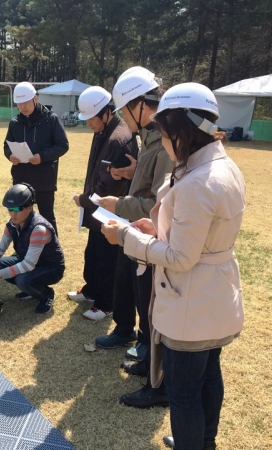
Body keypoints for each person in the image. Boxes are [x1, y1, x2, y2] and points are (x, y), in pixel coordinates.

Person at [102, 82, 245, 450]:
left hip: (191, 301)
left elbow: (182, 257)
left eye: (165, 135)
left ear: (181, 133)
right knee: (209, 373)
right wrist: (158, 229)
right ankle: (202, 441)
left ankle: (191, 442)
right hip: (215, 295)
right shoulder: (224, 166)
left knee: (183, 392)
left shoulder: (198, 182)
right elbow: (198, 235)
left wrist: (129, 239)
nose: (163, 142)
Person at [94, 68, 173, 408]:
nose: (125, 118)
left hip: (152, 235)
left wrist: (120, 203)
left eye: (126, 111)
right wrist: (130, 173)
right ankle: (149, 365)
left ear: (142, 105)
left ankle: (159, 380)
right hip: (140, 231)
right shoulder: (152, 139)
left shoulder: (166, 141)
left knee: (154, 310)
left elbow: (160, 202)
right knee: (142, 302)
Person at [68, 86, 137, 323]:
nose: (88, 123)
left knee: (108, 257)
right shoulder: (104, 131)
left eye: (90, 118)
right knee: (94, 252)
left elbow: (110, 184)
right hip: (97, 208)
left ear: (106, 112)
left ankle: (106, 303)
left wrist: (84, 199)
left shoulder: (118, 139)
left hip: (109, 210)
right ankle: (92, 290)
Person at [0, 183, 65, 314]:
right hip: (28, 261)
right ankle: (30, 289)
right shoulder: (13, 223)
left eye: (17, 209)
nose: (12, 214)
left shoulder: (39, 229)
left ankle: (46, 294)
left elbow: (28, 264)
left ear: (30, 207)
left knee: (22, 280)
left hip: (50, 267)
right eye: (9, 209)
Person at [3, 82, 69, 234]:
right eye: (19, 103)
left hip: (44, 178)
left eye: (26, 102)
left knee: (47, 217)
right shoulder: (15, 123)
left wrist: (42, 157)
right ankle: (22, 250)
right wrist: (10, 155)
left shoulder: (51, 119)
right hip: (21, 178)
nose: (23, 106)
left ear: (36, 98)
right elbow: (6, 146)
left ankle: (51, 252)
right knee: (20, 217)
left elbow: (63, 145)